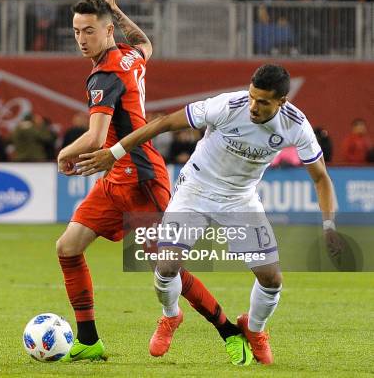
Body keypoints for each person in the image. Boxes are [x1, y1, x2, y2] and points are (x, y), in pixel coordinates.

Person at [77, 64, 343, 365]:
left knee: (271, 279)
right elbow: (163, 123)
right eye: (252, 96)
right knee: (165, 268)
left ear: (282, 102)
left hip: (240, 201)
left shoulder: (296, 126)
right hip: (196, 191)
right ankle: (171, 316)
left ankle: (255, 330)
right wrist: (113, 153)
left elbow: (321, 177)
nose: (253, 106)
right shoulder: (228, 106)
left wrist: (329, 225)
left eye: (263, 102)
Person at [56, 0, 251, 365]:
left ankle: (230, 331)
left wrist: (64, 152)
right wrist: (114, 6)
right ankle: (89, 339)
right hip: (116, 176)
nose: (81, 39)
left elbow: (95, 138)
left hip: (144, 178)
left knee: (169, 266)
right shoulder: (128, 55)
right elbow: (146, 43)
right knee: (67, 248)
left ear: (107, 31)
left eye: (89, 31)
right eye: (77, 31)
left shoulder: (104, 75)